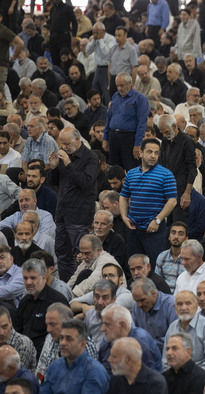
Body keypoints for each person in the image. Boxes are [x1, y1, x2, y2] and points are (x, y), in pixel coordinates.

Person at [47, 127, 99, 282]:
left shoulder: (91, 158)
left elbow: (86, 183)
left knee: (80, 255)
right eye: (62, 143)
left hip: (79, 215)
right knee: (62, 253)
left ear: (77, 140)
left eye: (67, 143)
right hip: (62, 212)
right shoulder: (63, 156)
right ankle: (66, 285)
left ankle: (80, 286)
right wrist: (54, 167)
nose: (64, 147)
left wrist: (69, 164)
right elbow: (52, 183)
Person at [119, 138, 177, 264]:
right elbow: (123, 197)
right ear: (140, 153)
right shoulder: (131, 173)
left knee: (155, 266)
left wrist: (157, 220)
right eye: (149, 152)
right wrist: (124, 217)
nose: (153, 156)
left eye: (156, 153)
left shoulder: (166, 174)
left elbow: (172, 201)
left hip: (154, 229)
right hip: (133, 228)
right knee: (134, 265)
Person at [15, 258, 68, 358]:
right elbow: (17, 331)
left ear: (44, 278)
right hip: (23, 355)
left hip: (47, 356)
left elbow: (63, 336)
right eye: (25, 278)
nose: (28, 282)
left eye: (33, 278)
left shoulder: (57, 302)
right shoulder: (24, 302)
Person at [39, 319, 109, 393]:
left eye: (69, 339)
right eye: (61, 338)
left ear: (83, 344)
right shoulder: (55, 366)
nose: (62, 343)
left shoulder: (94, 370)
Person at [162, 291, 205, 374]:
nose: (183, 308)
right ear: (175, 307)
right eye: (179, 304)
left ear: (196, 306)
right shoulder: (172, 327)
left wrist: (188, 377)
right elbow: (166, 362)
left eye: (188, 303)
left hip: (201, 380)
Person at [103, 72, 150, 171]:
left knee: (131, 169)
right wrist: (105, 138)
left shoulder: (140, 98)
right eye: (117, 86)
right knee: (114, 169)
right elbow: (109, 117)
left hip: (129, 138)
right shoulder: (115, 96)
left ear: (130, 84)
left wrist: (137, 144)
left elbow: (142, 123)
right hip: (113, 136)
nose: (119, 88)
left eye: (122, 85)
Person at [99, 304, 162, 374]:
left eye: (107, 324)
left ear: (122, 325)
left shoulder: (140, 342)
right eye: (103, 324)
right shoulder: (108, 340)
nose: (102, 329)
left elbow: (146, 379)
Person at [131, 278, 176, 353]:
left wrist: (148, 343)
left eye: (142, 300)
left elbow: (175, 337)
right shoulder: (137, 307)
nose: (139, 305)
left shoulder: (171, 304)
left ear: (153, 293)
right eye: (136, 301)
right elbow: (133, 333)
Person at [86, 23, 116, 105]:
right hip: (98, 69)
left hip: (108, 68)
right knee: (95, 92)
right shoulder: (94, 39)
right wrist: (93, 41)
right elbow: (87, 51)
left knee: (106, 94)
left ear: (103, 31)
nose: (95, 34)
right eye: (94, 32)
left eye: (97, 32)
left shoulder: (110, 39)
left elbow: (108, 53)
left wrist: (101, 41)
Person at [0, 305, 36, 372]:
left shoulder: (23, 344)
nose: (1, 333)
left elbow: (14, 375)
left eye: (4, 327)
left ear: (10, 322)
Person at [155, 223, 188, 292]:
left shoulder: (190, 259)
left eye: (180, 234)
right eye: (173, 233)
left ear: (186, 239)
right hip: (165, 297)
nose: (176, 236)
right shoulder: (162, 256)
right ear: (169, 237)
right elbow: (157, 282)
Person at [0, 12, 24, 97]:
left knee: (0, 93)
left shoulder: (3, 31)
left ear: (0, 18)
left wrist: (14, 57)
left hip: (1, 65)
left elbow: (20, 43)